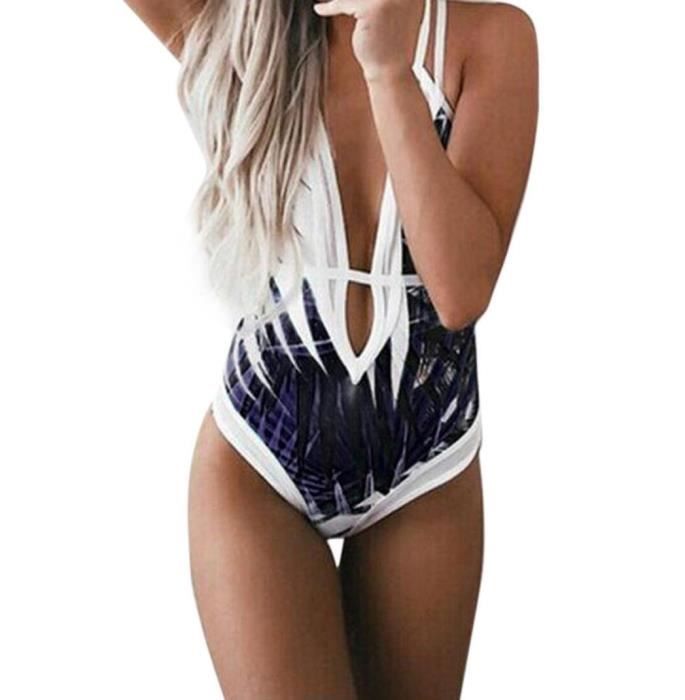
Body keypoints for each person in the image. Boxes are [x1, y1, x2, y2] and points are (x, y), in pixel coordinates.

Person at [124, 1, 538, 697]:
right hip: (259, 466)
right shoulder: (237, 24)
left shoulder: (491, 37)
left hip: (425, 469)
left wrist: (389, 71)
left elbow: (460, 292)